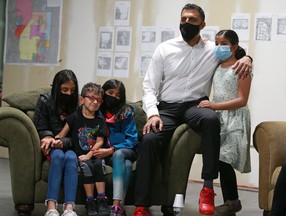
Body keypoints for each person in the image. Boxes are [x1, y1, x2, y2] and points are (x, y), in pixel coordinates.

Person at [133, 3, 253, 216]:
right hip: (167, 108)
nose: (186, 23)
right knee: (149, 140)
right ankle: (141, 205)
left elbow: (235, 51)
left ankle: (207, 188)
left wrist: (247, 58)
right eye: (184, 19)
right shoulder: (165, 48)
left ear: (202, 24)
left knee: (210, 120)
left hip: (195, 105)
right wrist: (153, 113)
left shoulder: (212, 50)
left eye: (192, 20)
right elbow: (149, 87)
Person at [198, 29, 252, 216]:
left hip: (235, 119)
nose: (219, 47)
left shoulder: (241, 68)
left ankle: (233, 201)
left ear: (234, 46)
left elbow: (242, 100)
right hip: (220, 119)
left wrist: (214, 105)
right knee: (220, 161)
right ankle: (231, 202)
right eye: (217, 43)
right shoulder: (216, 66)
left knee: (224, 159)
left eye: (224, 44)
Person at [56, 82, 110, 216]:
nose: (95, 102)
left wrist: (90, 154)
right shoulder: (75, 116)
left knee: (99, 165)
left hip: (95, 154)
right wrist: (52, 140)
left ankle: (102, 199)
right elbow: (62, 135)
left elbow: (100, 141)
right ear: (82, 99)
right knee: (86, 167)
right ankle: (90, 201)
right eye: (91, 98)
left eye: (98, 100)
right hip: (80, 155)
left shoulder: (100, 120)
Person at [34, 69, 79, 216]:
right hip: (52, 146)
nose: (68, 93)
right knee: (58, 156)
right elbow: (39, 125)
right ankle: (51, 207)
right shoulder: (45, 101)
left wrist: (63, 142)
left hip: (71, 145)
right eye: (64, 90)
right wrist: (47, 136)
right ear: (56, 87)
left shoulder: (78, 105)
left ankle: (69, 208)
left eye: (72, 90)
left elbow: (79, 134)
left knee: (71, 158)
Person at [92, 79, 139, 216]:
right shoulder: (96, 110)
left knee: (120, 156)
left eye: (118, 95)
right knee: (128, 166)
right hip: (106, 154)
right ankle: (120, 208)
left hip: (126, 150)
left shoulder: (126, 113)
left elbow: (133, 139)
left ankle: (115, 204)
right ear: (103, 93)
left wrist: (112, 149)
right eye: (110, 92)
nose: (113, 97)